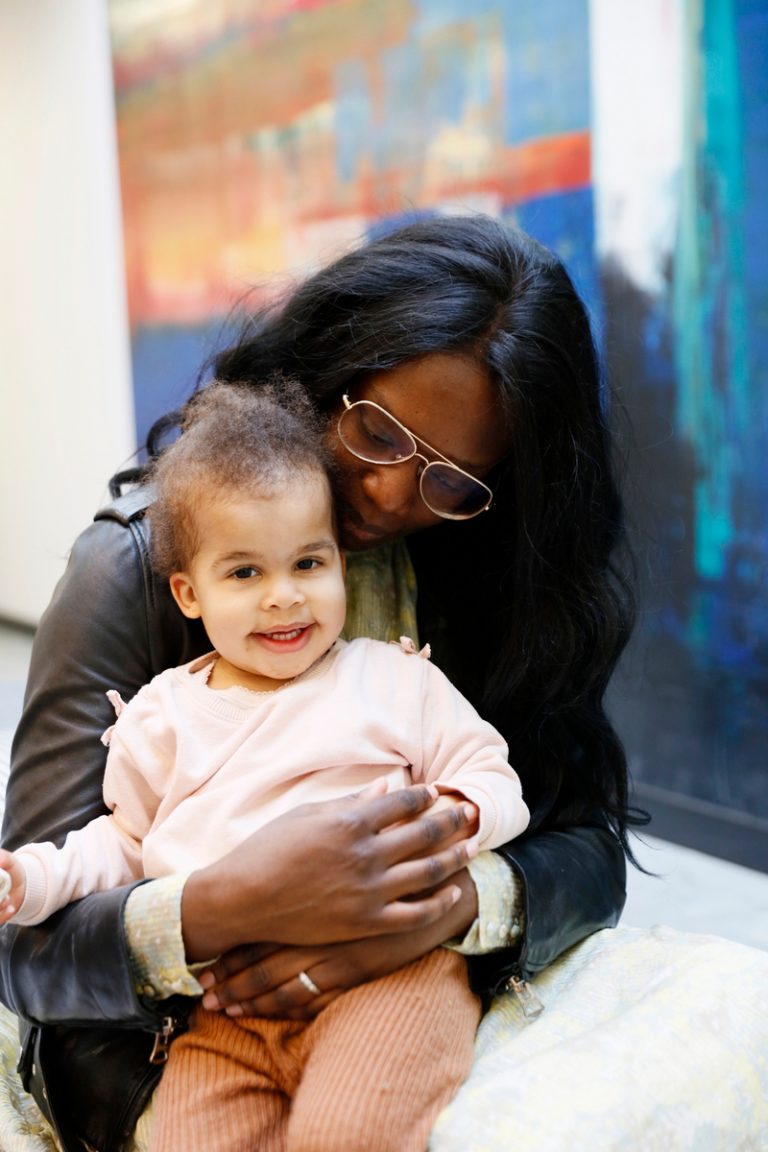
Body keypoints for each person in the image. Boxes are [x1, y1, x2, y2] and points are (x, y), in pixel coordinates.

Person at [0, 214, 638, 1152]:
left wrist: (441, 906)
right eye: (377, 430)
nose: (390, 495)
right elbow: (34, 942)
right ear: (327, 366)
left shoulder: (471, 580)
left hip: (405, 992)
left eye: (453, 478)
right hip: (182, 1033)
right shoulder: (127, 574)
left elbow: (582, 843)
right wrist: (228, 902)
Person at [0, 380, 529, 1152]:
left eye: (308, 563)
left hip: (386, 977)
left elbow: (493, 774)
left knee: (349, 1133)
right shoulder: (160, 717)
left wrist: (456, 814)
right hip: (226, 1010)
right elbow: (123, 846)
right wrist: (34, 879)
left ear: (341, 565)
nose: (284, 598)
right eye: (244, 574)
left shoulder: (395, 680)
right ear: (189, 593)